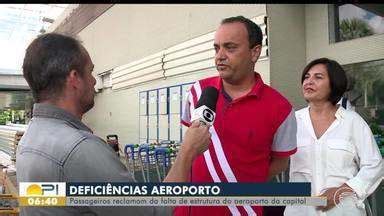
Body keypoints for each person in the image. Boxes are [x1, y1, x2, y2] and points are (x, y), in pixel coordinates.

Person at [16, 33, 211, 216]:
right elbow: (152, 211)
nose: (94, 81)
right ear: (74, 78)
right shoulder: (80, 149)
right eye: (90, 71)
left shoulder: (30, 137)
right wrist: (188, 152)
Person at [174, 16, 297, 216]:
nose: (219, 56)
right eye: (216, 48)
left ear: (254, 52)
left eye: (230, 48)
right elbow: (191, 142)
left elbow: (280, 162)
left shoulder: (281, 108)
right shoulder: (197, 91)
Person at [284, 58, 384, 216]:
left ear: (334, 84)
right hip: (300, 210)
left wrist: (342, 192)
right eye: (306, 77)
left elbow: (375, 165)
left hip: (344, 210)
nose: (309, 82)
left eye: (318, 77)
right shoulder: (292, 122)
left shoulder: (353, 122)